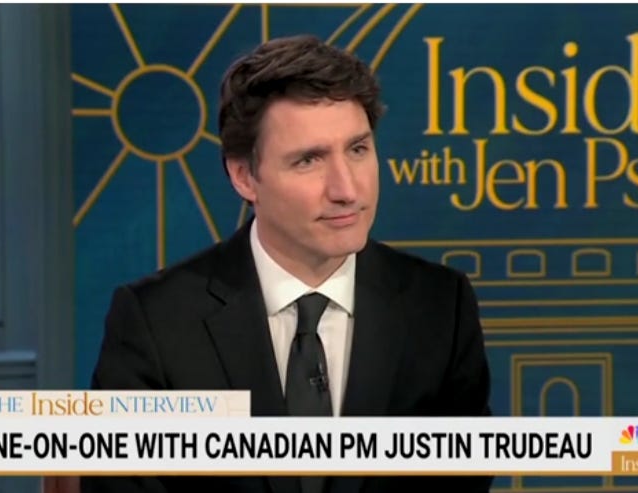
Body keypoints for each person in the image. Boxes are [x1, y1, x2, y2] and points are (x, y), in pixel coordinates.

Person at [82, 34, 493, 493]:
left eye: (358, 149)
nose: (346, 189)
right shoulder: (155, 322)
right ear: (244, 176)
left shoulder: (440, 308)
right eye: (309, 160)